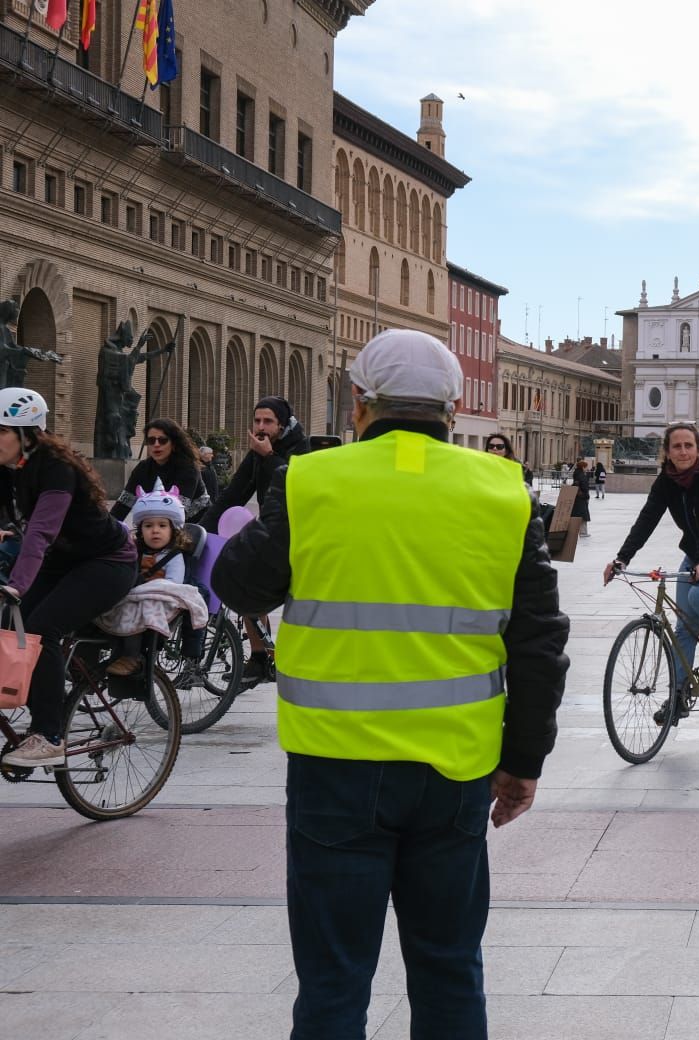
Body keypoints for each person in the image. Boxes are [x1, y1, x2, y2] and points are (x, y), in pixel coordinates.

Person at [211, 329, 570, 1039]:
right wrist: (524, 760)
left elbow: (239, 587)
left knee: (334, 981)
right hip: (454, 768)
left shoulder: (310, 479)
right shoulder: (503, 490)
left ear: (359, 404)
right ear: (454, 406)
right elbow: (538, 641)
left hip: (335, 768)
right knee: (448, 970)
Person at [0, 389, 137, 768]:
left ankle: (49, 735)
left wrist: (18, 584)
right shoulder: (8, 468)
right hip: (63, 561)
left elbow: (42, 531)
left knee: (41, 631)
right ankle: (28, 702)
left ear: (27, 434)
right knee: (9, 626)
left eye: (0, 431)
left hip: (108, 562)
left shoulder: (56, 467)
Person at [606, 423, 699, 718]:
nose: (683, 451)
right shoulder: (666, 481)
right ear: (667, 451)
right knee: (684, 626)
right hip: (696, 556)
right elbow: (647, 519)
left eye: (689, 445)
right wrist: (622, 559)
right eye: (677, 446)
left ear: (698, 449)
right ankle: (678, 696)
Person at [209, 395, 311, 684]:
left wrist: (268, 456)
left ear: (281, 425)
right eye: (257, 420)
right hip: (273, 530)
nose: (261, 426)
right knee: (244, 580)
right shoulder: (258, 451)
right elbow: (234, 494)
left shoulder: (300, 447)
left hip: (300, 532)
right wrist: (199, 529)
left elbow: (295, 482)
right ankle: (259, 656)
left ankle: (287, 660)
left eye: (268, 421)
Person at [106, 480, 193, 676]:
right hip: (136, 595)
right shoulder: (135, 551)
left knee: (137, 611)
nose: (155, 530)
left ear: (173, 529)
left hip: (159, 601)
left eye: (162, 525)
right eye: (148, 526)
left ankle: (132, 656)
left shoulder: (173, 555)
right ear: (140, 529)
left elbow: (174, 584)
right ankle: (115, 649)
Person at [112, 419, 208, 523]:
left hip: (199, 524)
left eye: (162, 440)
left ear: (174, 444)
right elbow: (123, 504)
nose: (156, 444)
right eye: (151, 440)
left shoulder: (188, 468)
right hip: (161, 525)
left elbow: (177, 509)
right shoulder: (142, 468)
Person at [570, 459, 592, 537]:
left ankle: (579, 532)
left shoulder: (576, 474)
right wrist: (586, 495)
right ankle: (583, 532)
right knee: (583, 515)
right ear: (583, 467)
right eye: (586, 467)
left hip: (578, 497)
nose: (587, 468)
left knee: (578, 514)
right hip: (581, 497)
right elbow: (584, 486)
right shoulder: (581, 475)